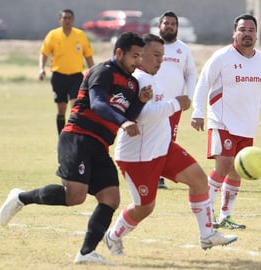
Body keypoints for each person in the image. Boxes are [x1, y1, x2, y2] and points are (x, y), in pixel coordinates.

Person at [0, 32, 153, 265]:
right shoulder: (103, 72)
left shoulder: (132, 84)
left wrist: (140, 101)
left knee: (110, 198)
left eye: (141, 56)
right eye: (135, 56)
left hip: (100, 145)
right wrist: (124, 122)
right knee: (75, 197)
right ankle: (21, 197)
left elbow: (126, 116)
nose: (138, 61)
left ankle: (86, 252)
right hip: (78, 137)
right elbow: (99, 104)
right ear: (119, 53)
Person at [103, 34, 238, 257]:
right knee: (145, 207)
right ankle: (113, 236)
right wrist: (176, 103)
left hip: (163, 148)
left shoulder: (152, 79)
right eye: (156, 55)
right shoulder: (137, 80)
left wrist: (174, 104)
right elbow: (141, 116)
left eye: (162, 56)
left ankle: (207, 235)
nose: (160, 61)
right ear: (141, 55)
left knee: (199, 180)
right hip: (139, 157)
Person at [191, 14, 261, 230]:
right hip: (222, 122)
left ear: (256, 34)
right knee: (224, 165)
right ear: (234, 33)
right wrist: (197, 112)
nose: (247, 34)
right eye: (242, 29)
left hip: (246, 126)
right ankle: (205, 212)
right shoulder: (222, 57)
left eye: (251, 30)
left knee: (238, 170)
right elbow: (203, 84)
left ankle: (225, 216)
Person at [155, 11, 197, 189]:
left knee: (168, 141)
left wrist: (190, 97)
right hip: (152, 104)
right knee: (150, 138)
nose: (169, 26)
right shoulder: (151, 46)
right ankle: (146, 172)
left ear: (177, 27)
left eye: (173, 24)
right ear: (160, 26)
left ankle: (160, 176)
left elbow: (191, 74)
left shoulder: (183, 49)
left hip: (175, 105)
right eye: (166, 23)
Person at [39, 9, 95, 135]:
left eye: (70, 18)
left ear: (73, 20)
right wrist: (41, 68)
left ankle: (73, 136)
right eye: (65, 18)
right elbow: (44, 53)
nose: (67, 20)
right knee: (61, 110)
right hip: (59, 76)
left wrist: (93, 72)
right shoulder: (53, 35)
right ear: (60, 20)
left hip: (76, 76)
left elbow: (88, 55)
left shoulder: (80, 35)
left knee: (75, 107)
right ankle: (62, 139)